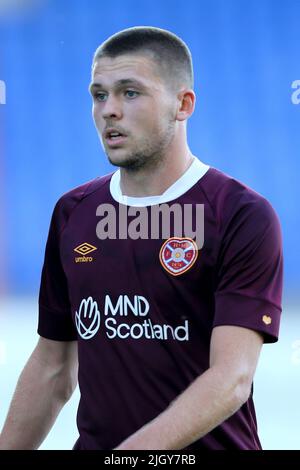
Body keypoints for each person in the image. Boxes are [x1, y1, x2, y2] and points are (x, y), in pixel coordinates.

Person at [0, 26, 283, 450]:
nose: (109, 110)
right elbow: (53, 368)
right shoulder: (73, 213)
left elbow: (231, 379)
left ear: (183, 104)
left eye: (130, 93)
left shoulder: (240, 214)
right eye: (99, 95)